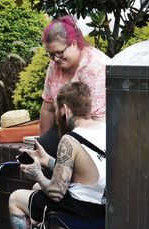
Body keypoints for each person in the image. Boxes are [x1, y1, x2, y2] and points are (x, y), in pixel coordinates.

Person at [5, 82, 106, 229]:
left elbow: (56, 193)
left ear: (65, 110)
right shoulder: (106, 129)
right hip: (102, 210)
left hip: (79, 213)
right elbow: (82, 171)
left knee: (16, 198)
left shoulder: (70, 140)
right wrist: (47, 161)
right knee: (37, 189)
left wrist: (37, 173)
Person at [38, 15, 110, 158]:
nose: (56, 59)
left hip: (96, 132)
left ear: (75, 44)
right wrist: (41, 145)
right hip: (66, 127)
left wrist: (71, 143)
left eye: (60, 52)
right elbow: (48, 108)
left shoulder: (94, 67)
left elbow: (96, 120)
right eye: (51, 54)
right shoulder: (54, 66)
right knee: (44, 147)